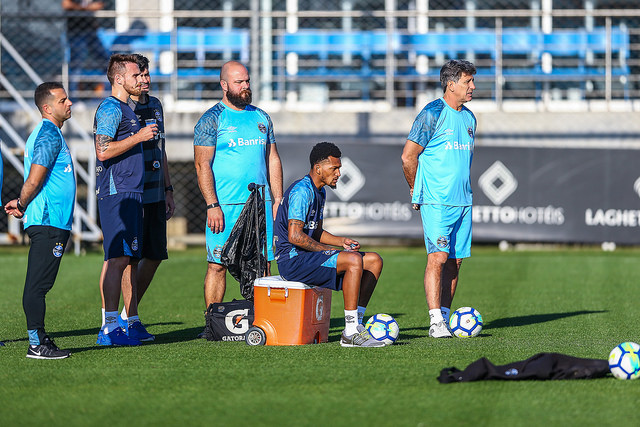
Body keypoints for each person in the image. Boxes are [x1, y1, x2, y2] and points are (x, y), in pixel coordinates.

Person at [193, 60, 283, 334]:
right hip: (225, 207)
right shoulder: (211, 119)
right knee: (217, 265)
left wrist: (277, 198)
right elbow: (201, 165)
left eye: (247, 81)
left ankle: (263, 321)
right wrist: (212, 204)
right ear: (224, 85)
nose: (245, 87)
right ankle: (212, 324)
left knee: (263, 265)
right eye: (239, 82)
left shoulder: (262, 117)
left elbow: (272, 158)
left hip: (261, 205)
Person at [274, 142, 385, 347]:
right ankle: (349, 333)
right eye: (334, 168)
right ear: (318, 169)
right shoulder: (302, 191)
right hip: (292, 261)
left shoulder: (320, 191)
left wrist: (340, 241)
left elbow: (314, 231)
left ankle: (357, 325)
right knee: (352, 260)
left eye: (339, 168)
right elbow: (295, 236)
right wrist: (329, 251)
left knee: (374, 261)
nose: (339, 173)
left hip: (307, 257)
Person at [97, 54, 175, 337]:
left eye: (146, 75)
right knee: (122, 257)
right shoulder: (116, 107)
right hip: (127, 191)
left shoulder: (154, 105)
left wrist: (168, 188)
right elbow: (104, 149)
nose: (144, 80)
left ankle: (128, 317)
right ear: (123, 78)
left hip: (152, 190)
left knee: (152, 254)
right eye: (138, 75)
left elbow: (161, 147)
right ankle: (113, 321)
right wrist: (139, 136)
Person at [401, 59, 477, 338]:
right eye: (468, 81)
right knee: (438, 257)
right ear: (451, 84)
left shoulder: (469, 118)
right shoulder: (432, 113)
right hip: (436, 200)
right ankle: (435, 323)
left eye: (472, 81)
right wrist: (416, 189)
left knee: (455, 261)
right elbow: (408, 157)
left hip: (463, 201)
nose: (473, 87)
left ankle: (445, 319)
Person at [4, 82, 75, 359]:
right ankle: (36, 343)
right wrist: (22, 203)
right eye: (63, 100)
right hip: (47, 221)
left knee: (41, 283)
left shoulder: (51, 133)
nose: (69, 104)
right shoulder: (48, 134)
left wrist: (22, 201)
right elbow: (36, 177)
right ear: (47, 108)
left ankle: (41, 336)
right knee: (38, 285)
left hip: (52, 221)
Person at [61, 1, 109, 95]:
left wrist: (87, 9)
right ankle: (72, 97)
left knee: (106, 63)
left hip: (91, 31)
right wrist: (86, 8)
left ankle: (109, 95)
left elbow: (99, 4)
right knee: (76, 64)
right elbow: (66, 4)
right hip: (75, 31)